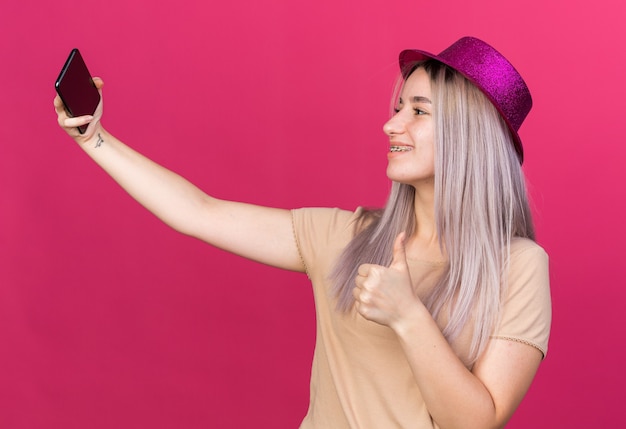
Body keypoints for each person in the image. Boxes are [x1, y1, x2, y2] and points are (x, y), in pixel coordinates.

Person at [54, 37, 551, 429]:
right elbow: (198, 212)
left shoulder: (518, 265)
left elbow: (478, 420)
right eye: (399, 106)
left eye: (418, 111)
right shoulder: (346, 237)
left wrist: (408, 316)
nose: (390, 124)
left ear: (470, 136)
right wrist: (95, 139)